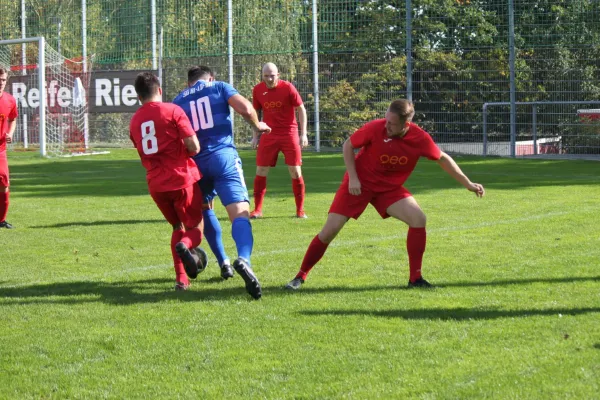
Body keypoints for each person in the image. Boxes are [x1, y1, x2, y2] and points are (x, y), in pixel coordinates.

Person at [285, 99, 485, 290]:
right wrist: (353, 178)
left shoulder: (419, 138)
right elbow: (348, 145)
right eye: (386, 119)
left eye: (392, 123)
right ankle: (300, 276)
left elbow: (442, 158)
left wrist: (467, 183)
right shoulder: (375, 127)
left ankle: (415, 279)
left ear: (406, 124)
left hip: (388, 189)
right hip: (359, 185)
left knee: (418, 219)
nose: (386, 125)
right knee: (329, 231)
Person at [173, 65, 271, 300]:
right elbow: (246, 108)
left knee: (206, 210)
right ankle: (244, 260)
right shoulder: (219, 87)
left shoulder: (178, 100)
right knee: (239, 214)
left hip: (196, 165)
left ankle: (224, 262)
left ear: (189, 83)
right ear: (210, 78)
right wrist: (257, 126)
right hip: (223, 157)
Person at [129, 72, 208, 291]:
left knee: (177, 226)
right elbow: (193, 146)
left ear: (138, 96)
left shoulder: (134, 120)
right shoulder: (173, 110)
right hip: (181, 178)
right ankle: (187, 245)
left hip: (156, 184)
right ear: (160, 90)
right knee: (195, 227)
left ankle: (181, 278)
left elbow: (142, 150)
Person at [249, 62, 309, 219]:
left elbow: (301, 109)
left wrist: (304, 134)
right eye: (266, 76)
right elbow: (254, 114)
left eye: (272, 75)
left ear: (278, 75)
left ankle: (300, 210)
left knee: (295, 171)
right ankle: (257, 210)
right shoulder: (257, 90)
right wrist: (255, 135)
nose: (269, 79)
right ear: (262, 76)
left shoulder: (288, 87)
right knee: (261, 170)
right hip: (268, 134)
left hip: (289, 133)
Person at [0, 67, 18, 229]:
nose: (1, 83)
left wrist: (10, 133)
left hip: (0, 150)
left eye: (3, 80)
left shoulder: (10, 100)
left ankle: (1, 220)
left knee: (4, 183)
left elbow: (12, 119)